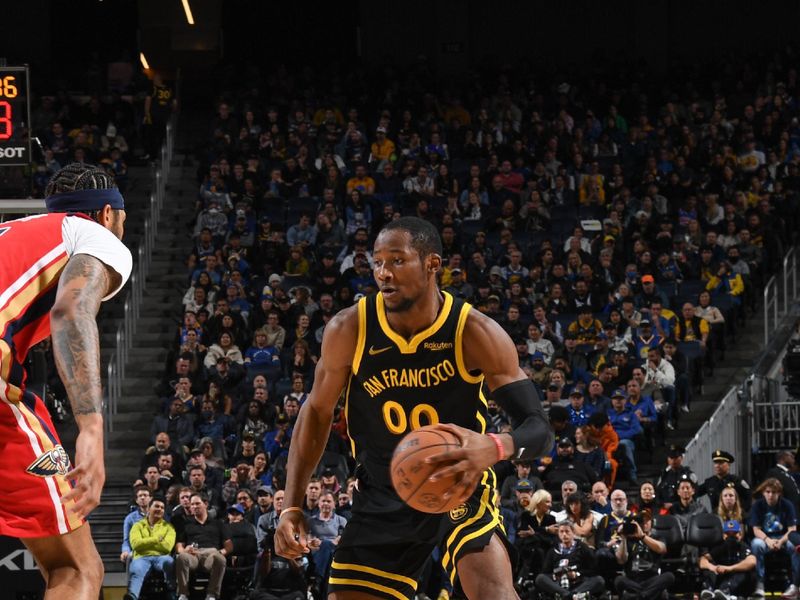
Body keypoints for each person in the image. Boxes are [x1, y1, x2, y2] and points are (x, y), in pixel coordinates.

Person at [275, 217, 553, 600]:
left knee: (494, 594)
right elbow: (317, 413)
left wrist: (493, 446)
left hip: (458, 485)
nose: (383, 273)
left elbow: (538, 428)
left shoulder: (473, 331)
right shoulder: (350, 329)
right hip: (382, 492)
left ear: (432, 264)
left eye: (397, 260)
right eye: (377, 262)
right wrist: (291, 506)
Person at [0, 163, 132, 599]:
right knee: (76, 567)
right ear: (109, 214)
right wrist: (91, 430)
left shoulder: (16, 233)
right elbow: (71, 312)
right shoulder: (94, 235)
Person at [175, 492, 233, 600]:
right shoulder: (186, 523)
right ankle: (183, 594)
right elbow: (179, 545)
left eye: (197, 504)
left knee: (220, 559)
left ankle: (211, 595)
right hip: (193, 554)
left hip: (211, 554)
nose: (194, 507)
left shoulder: (218, 523)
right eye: (192, 504)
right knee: (181, 557)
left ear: (206, 504)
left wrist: (219, 553)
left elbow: (229, 546)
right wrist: (183, 550)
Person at [749, 478, 800, 599]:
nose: (770, 495)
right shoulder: (758, 505)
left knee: (795, 546)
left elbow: (792, 529)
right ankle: (760, 583)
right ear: (763, 493)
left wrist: (781, 541)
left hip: (784, 538)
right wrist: (768, 540)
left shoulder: (787, 505)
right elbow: (756, 529)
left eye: (774, 492)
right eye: (768, 492)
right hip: (765, 538)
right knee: (756, 544)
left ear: (779, 493)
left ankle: (794, 585)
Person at [534, 520, 605, 599]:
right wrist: (555, 576)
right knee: (540, 578)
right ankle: (570, 596)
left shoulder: (582, 547)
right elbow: (545, 572)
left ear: (573, 532)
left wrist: (577, 574)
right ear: (558, 534)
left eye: (567, 531)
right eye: (561, 532)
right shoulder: (553, 550)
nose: (564, 534)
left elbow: (593, 569)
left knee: (599, 580)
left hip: (579, 582)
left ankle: (569, 595)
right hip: (558, 583)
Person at [614, 510, 674, 600]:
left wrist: (643, 537)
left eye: (647, 520)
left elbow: (662, 549)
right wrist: (623, 538)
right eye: (642, 521)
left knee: (669, 576)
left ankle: (641, 596)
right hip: (632, 580)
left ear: (652, 523)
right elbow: (621, 560)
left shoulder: (657, 538)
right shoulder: (629, 540)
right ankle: (646, 595)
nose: (645, 523)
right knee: (619, 580)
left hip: (652, 579)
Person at [125, 497, 176, 600]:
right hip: (141, 557)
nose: (159, 509)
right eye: (156, 506)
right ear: (148, 508)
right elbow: (136, 545)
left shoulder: (169, 527)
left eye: (162, 507)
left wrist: (146, 542)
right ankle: (132, 596)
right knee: (137, 569)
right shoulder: (137, 526)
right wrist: (157, 539)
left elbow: (167, 547)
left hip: (162, 557)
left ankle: (172, 593)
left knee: (169, 562)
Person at [699, 520, 756, 600]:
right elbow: (702, 561)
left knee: (745, 572)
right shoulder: (719, 547)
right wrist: (712, 567)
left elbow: (752, 561)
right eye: (728, 534)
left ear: (740, 535)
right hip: (722, 578)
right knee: (708, 568)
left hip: (736, 580)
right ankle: (709, 590)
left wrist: (729, 568)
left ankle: (726, 591)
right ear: (723, 535)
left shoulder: (743, 546)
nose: (731, 537)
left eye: (734, 534)